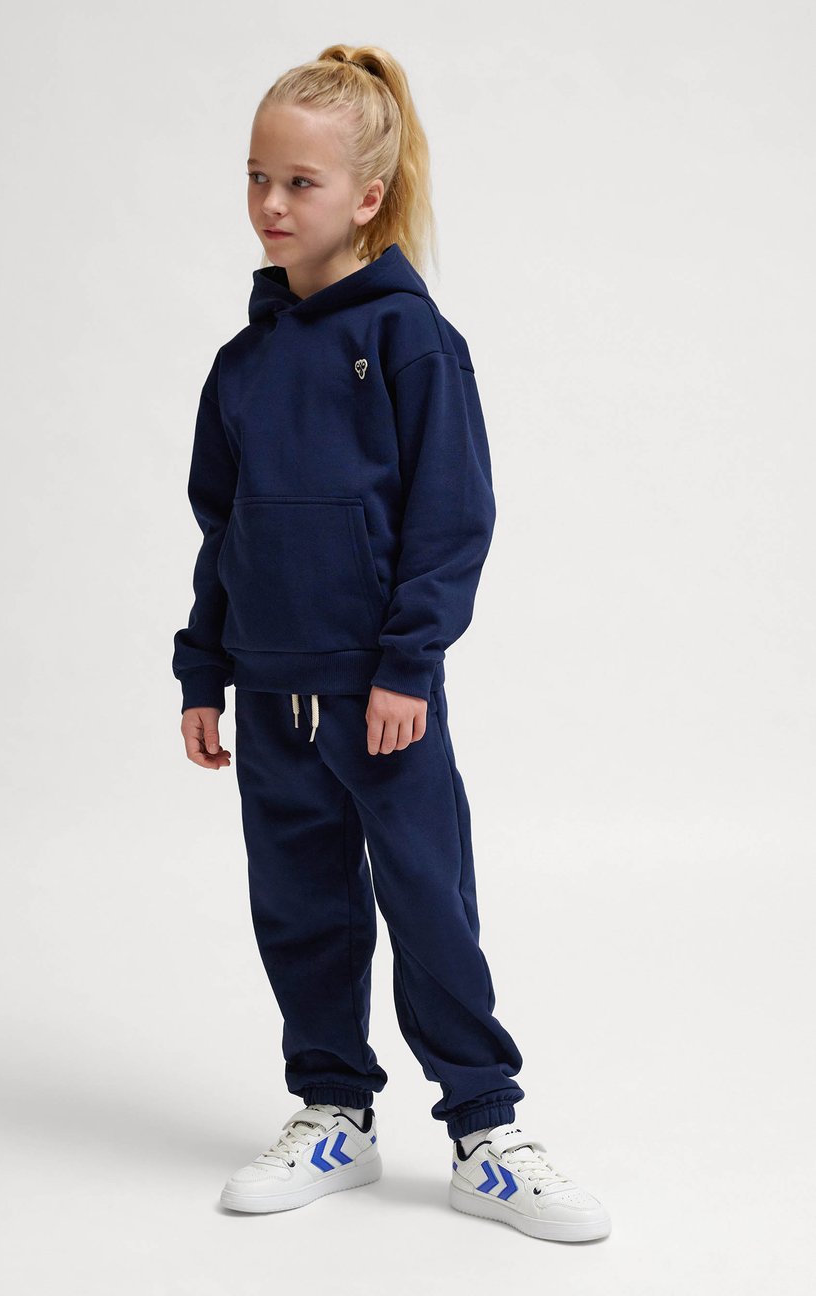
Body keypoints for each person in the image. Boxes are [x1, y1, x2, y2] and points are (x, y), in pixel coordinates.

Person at [172, 43, 610, 1242]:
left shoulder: (413, 341)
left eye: (299, 182)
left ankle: (486, 1131)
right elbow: (224, 531)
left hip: (381, 698)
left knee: (428, 906)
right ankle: (334, 1113)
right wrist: (203, 668)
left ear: (367, 196)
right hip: (272, 698)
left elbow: (452, 519)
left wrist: (409, 663)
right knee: (302, 909)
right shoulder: (243, 366)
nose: (270, 203)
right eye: (257, 176)